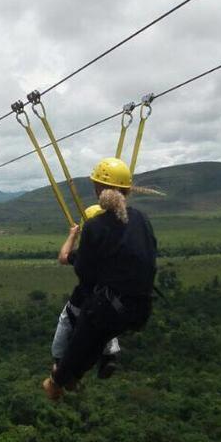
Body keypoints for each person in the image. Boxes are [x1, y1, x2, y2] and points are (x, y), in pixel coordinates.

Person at [43, 157, 157, 400]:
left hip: (112, 308)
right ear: (127, 189)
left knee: (85, 332)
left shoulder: (96, 226)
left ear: (98, 189)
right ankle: (103, 359)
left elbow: (85, 272)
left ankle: (58, 380)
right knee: (98, 332)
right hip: (142, 307)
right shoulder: (142, 219)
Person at [50, 205, 120, 385]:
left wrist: (73, 235)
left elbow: (63, 257)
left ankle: (59, 361)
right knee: (107, 323)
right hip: (108, 301)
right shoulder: (118, 251)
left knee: (65, 321)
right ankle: (110, 355)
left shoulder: (85, 254)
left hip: (82, 302)